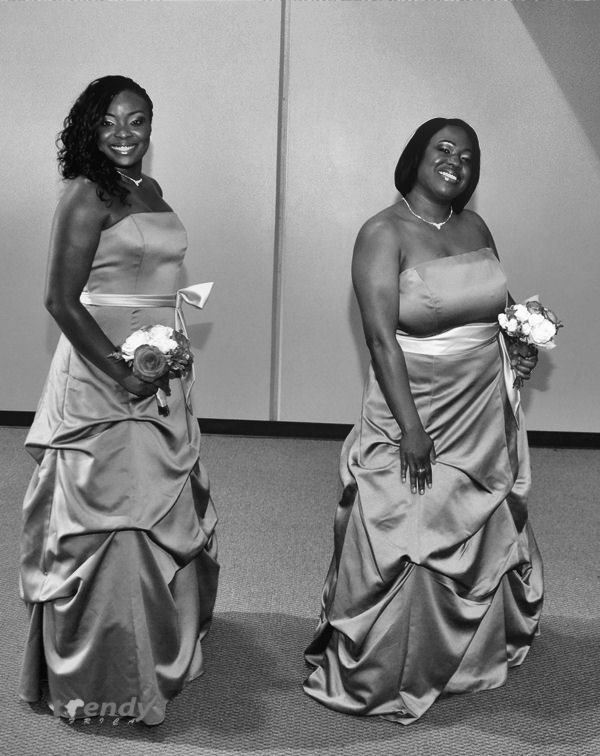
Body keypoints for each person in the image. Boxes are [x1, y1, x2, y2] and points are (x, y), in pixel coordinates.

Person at [304, 118, 543, 724]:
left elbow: (498, 306)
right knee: (408, 521)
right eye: (444, 149)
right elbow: (380, 339)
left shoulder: (475, 227)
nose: (455, 162)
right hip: (417, 401)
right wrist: (410, 428)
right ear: (415, 156)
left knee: (476, 514)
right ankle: (392, 666)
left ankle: (467, 656)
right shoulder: (382, 233)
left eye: (468, 155)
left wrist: (518, 342)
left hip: (480, 401)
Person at [19, 76, 218, 725]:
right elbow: (60, 299)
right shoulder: (87, 194)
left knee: (163, 510)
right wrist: (118, 371)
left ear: (151, 126)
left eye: (136, 120)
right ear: (89, 128)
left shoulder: (149, 190)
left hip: (157, 367)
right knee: (112, 523)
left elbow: (156, 280)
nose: (124, 133)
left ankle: (155, 648)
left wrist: (167, 352)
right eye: (108, 122)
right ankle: (107, 675)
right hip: (104, 375)